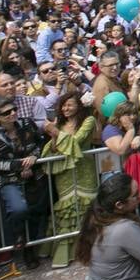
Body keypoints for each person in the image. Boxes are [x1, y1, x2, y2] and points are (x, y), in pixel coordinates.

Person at [0, 98, 48, 267]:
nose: (13, 113)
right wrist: (19, 166)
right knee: (19, 209)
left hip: (34, 175)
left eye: (14, 109)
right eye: (6, 112)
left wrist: (34, 157)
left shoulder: (27, 123)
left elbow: (41, 143)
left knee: (34, 213)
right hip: (9, 179)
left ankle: (29, 251)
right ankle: (18, 235)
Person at [42, 91, 100, 268]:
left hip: (84, 170)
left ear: (79, 106)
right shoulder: (58, 123)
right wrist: (54, 136)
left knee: (87, 208)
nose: (66, 108)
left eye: (70, 105)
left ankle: (91, 248)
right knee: (67, 209)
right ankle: (68, 251)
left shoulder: (88, 121)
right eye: (63, 105)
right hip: (65, 173)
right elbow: (53, 149)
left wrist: (55, 133)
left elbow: (77, 141)